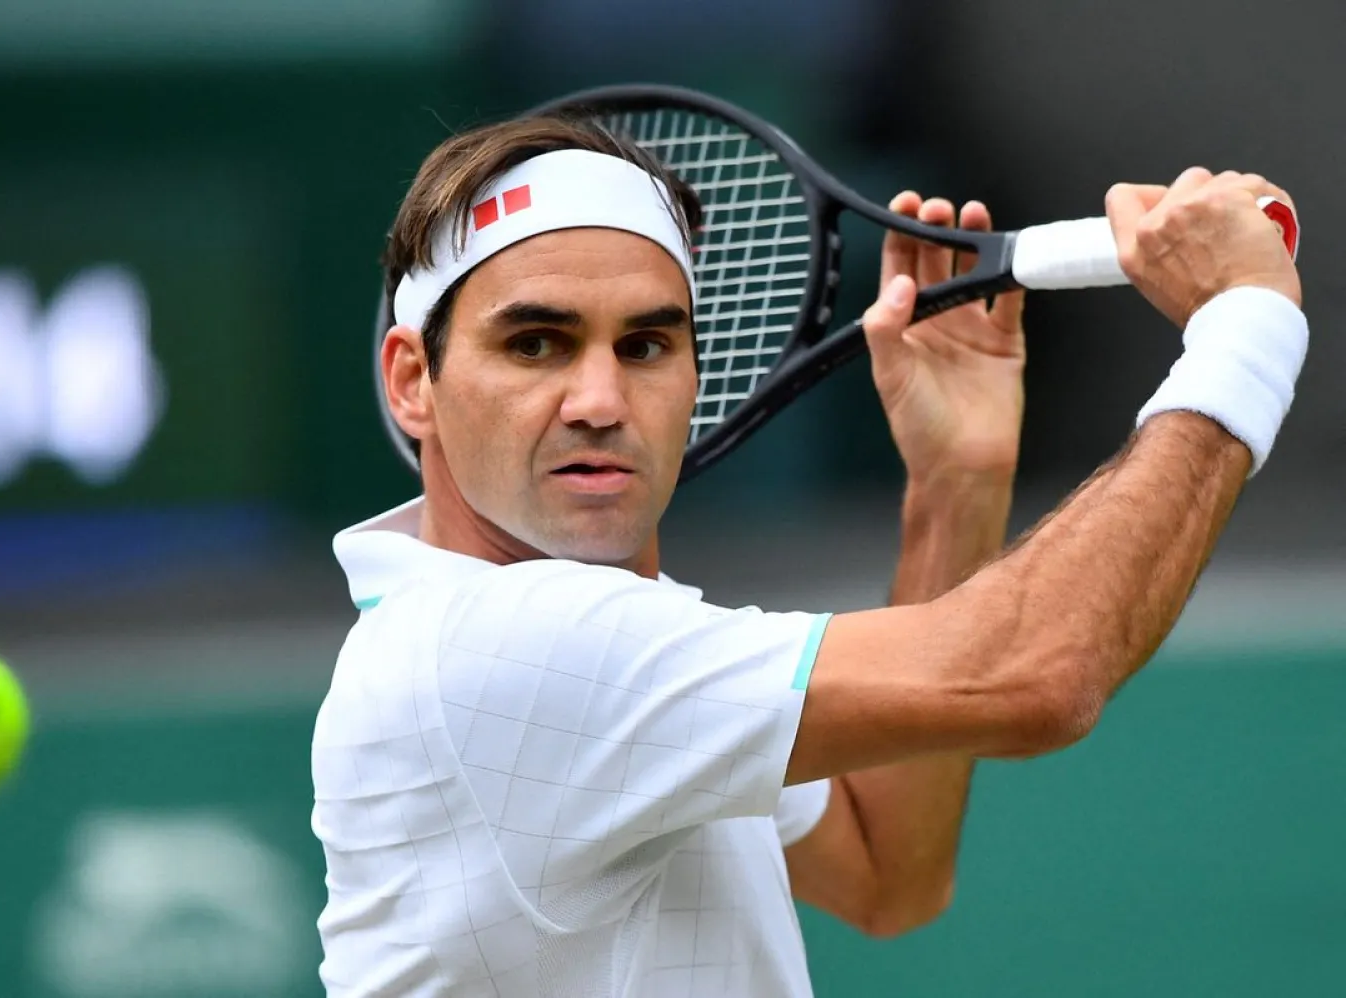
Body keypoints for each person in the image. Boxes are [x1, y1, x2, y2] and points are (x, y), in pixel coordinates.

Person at [310, 116, 1306, 997]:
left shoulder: (580, 653)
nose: (601, 401)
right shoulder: (497, 652)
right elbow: (1038, 670)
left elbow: (888, 870)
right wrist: (1246, 329)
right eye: (537, 344)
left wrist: (954, 485)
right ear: (413, 381)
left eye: (647, 345)